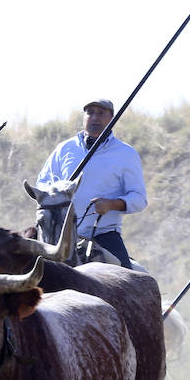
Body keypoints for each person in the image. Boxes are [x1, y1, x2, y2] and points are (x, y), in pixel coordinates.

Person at [35, 98, 147, 266]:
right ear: (84, 117)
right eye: (90, 113)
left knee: (127, 278)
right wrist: (55, 196)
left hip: (104, 235)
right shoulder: (64, 149)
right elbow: (42, 184)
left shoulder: (126, 154)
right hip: (57, 237)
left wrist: (112, 204)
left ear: (111, 118)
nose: (95, 118)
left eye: (101, 113)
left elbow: (139, 199)